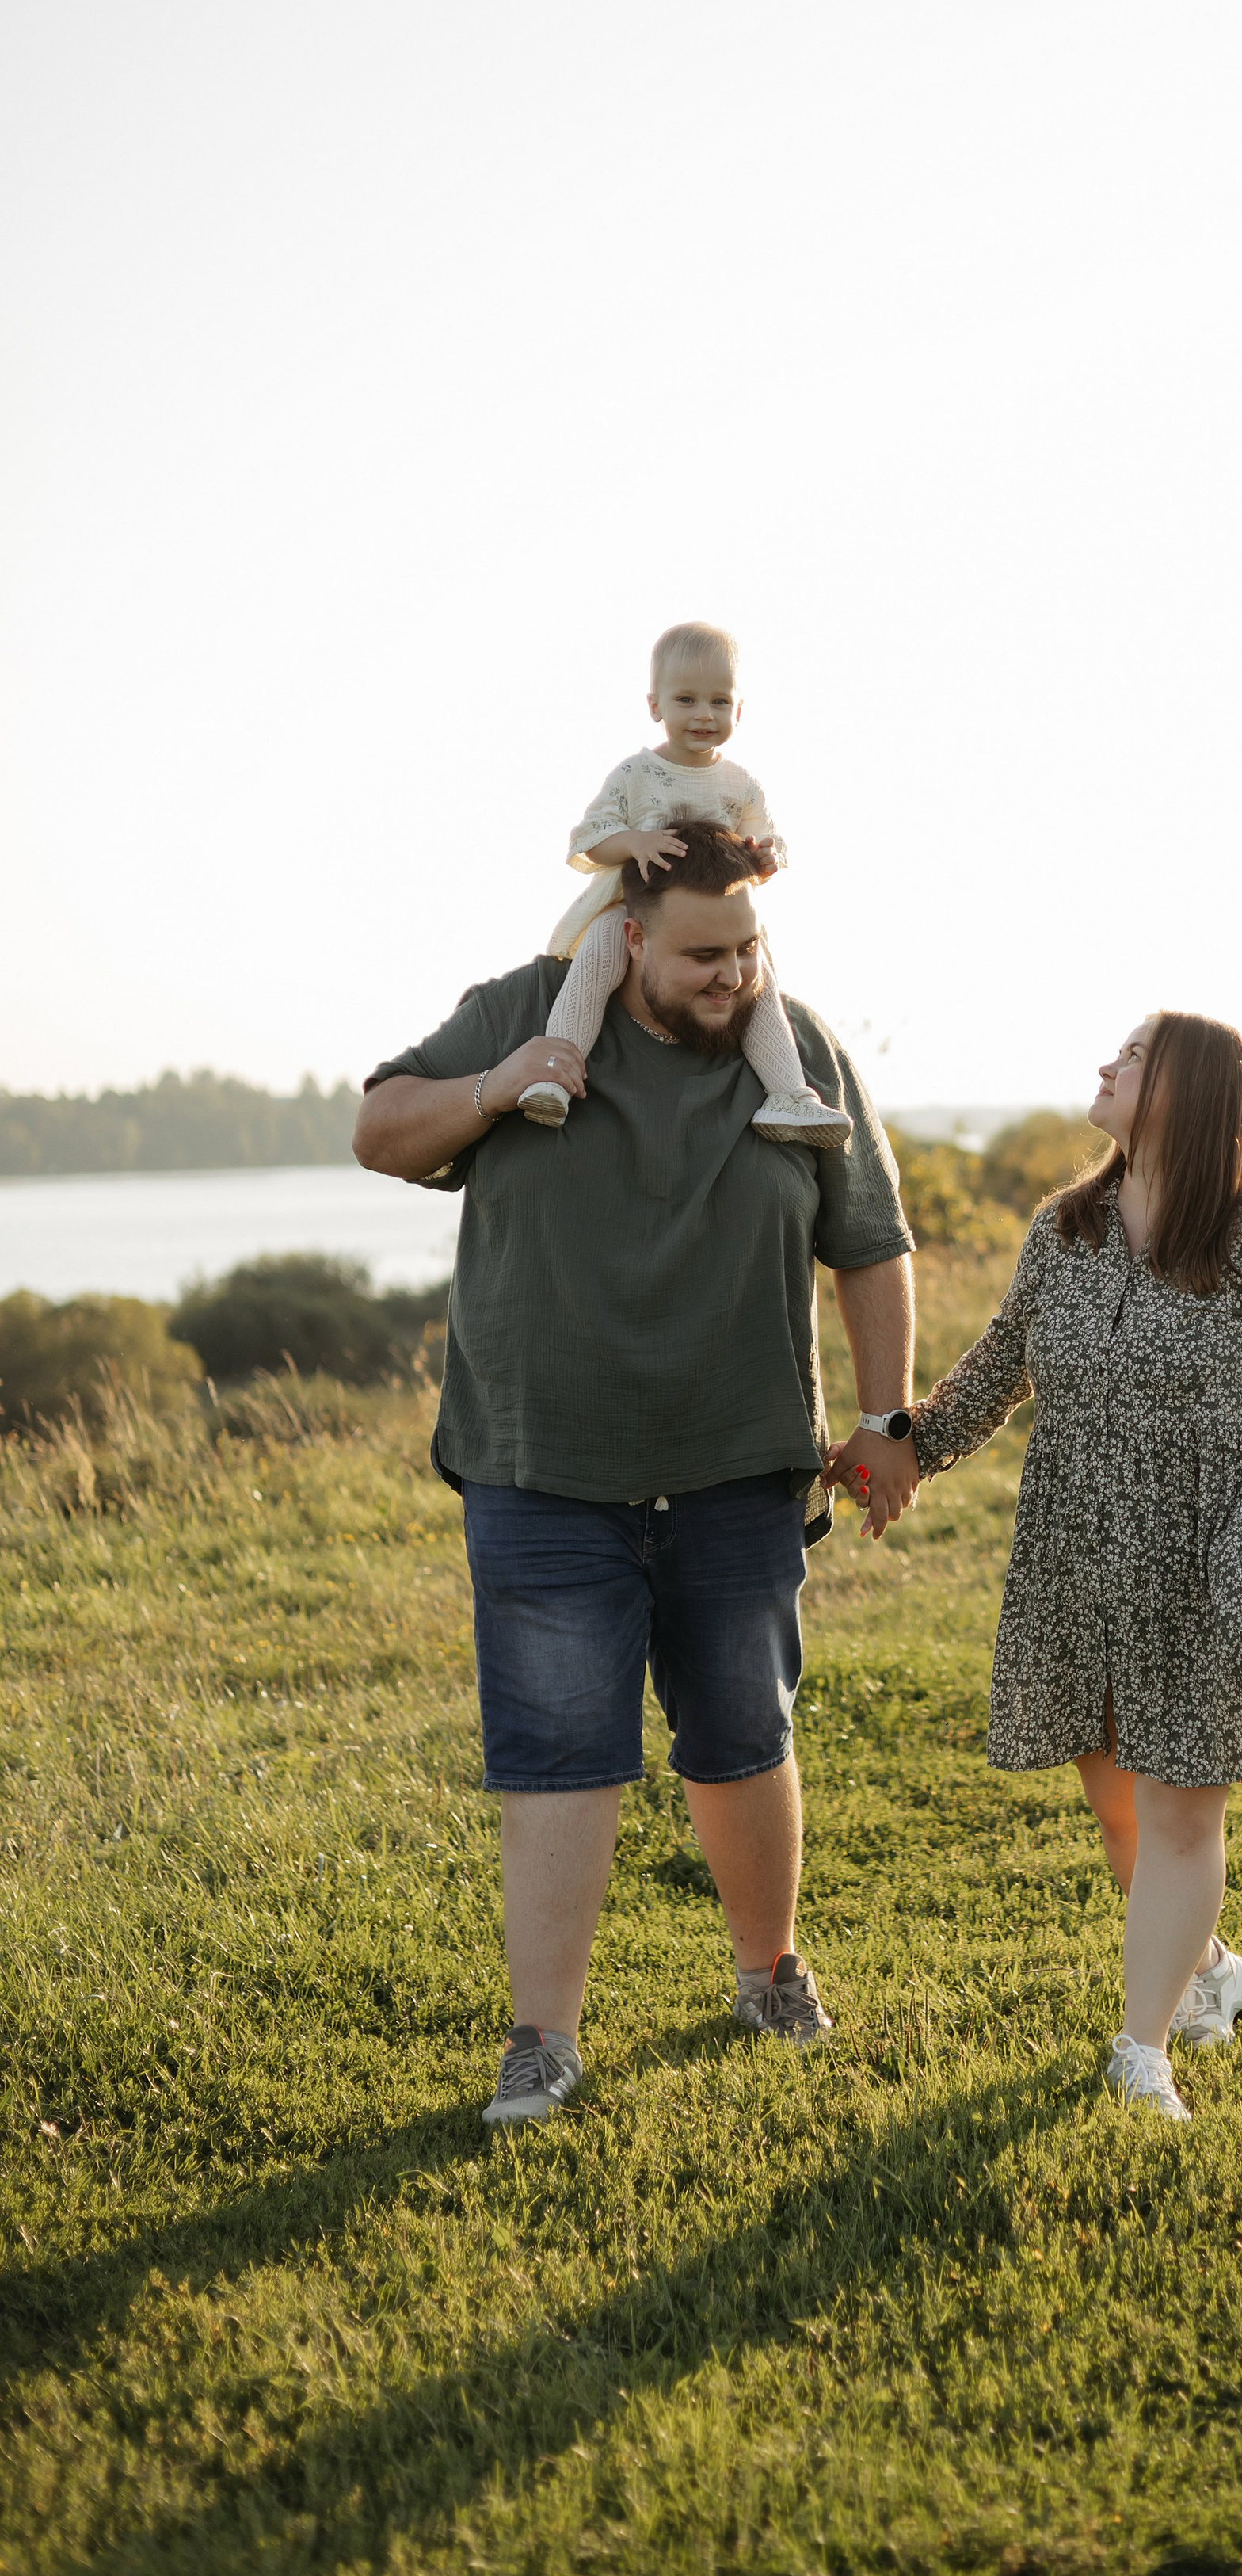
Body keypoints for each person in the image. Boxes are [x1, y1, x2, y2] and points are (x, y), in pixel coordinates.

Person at [353, 819, 920, 2128]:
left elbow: (873, 1243)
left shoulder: (799, 1048)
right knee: (558, 1753)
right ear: (626, 942)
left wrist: (888, 1419)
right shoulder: (521, 1011)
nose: (734, 977)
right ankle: (544, 2042)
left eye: (749, 950)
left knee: (742, 1734)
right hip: (543, 1465)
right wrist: (506, 1082)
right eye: (703, 956)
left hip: (740, 1464)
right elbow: (384, 1131)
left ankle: (769, 1971)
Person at [878, 1012, 1242, 2124]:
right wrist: (902, 1448)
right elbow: (1001, 1363)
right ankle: (1209, 1973)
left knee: (1182, 1810)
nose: (1107, 1065)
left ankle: (1143, 2050)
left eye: (1135, 1056)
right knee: (1121, 1808)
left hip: (1205, 1552)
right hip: (1076, 1543)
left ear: (1192, 1094)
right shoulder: (1067, 1227)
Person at [520, 617, 849, 1148]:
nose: (704, 714)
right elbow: (590, 841)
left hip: (714, 918)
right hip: (634, 905)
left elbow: (756, 840)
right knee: (598, 959)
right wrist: (635, 843)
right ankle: (553, 1072)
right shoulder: (638, 774)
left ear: (739, 710)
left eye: (720, 702)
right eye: (687, 700)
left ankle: (789, 1096)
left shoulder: (741, 783)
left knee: (755, 978)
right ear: (656, 707)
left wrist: (761, 856)